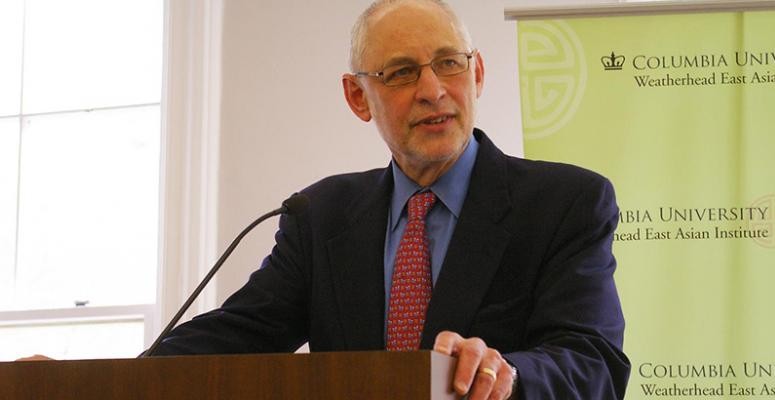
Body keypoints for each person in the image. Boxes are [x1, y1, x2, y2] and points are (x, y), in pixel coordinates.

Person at [146, 1, 631, 399]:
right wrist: (101, 379)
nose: (433, 90)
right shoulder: (321, 215)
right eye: (401, 72)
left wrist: (508, 375)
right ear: (358, 96)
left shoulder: (565, 203)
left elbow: (593, 363)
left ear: (477, 71)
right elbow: (235, 338)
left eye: (448, 63)